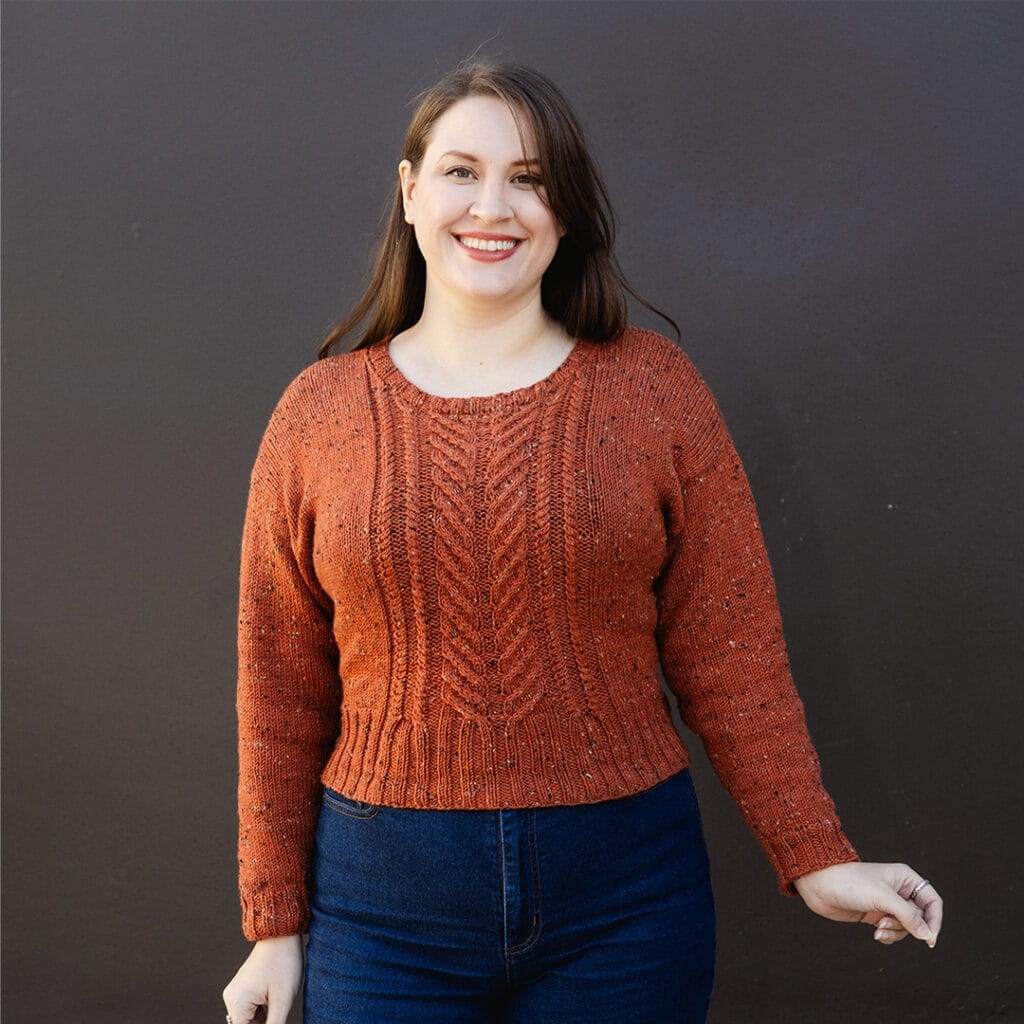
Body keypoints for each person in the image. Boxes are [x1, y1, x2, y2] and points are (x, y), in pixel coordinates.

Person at [223, 61, 943, 1024]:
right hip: (382, 909)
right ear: (408, 192)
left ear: (566, 210)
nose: (494, 206)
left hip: (627, 904)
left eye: (529, 177)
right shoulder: (318, 414)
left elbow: (732, 658)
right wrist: (273, 926)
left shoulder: (654, 389)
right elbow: (280, 683)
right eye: (460, 171)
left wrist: (814, 852)